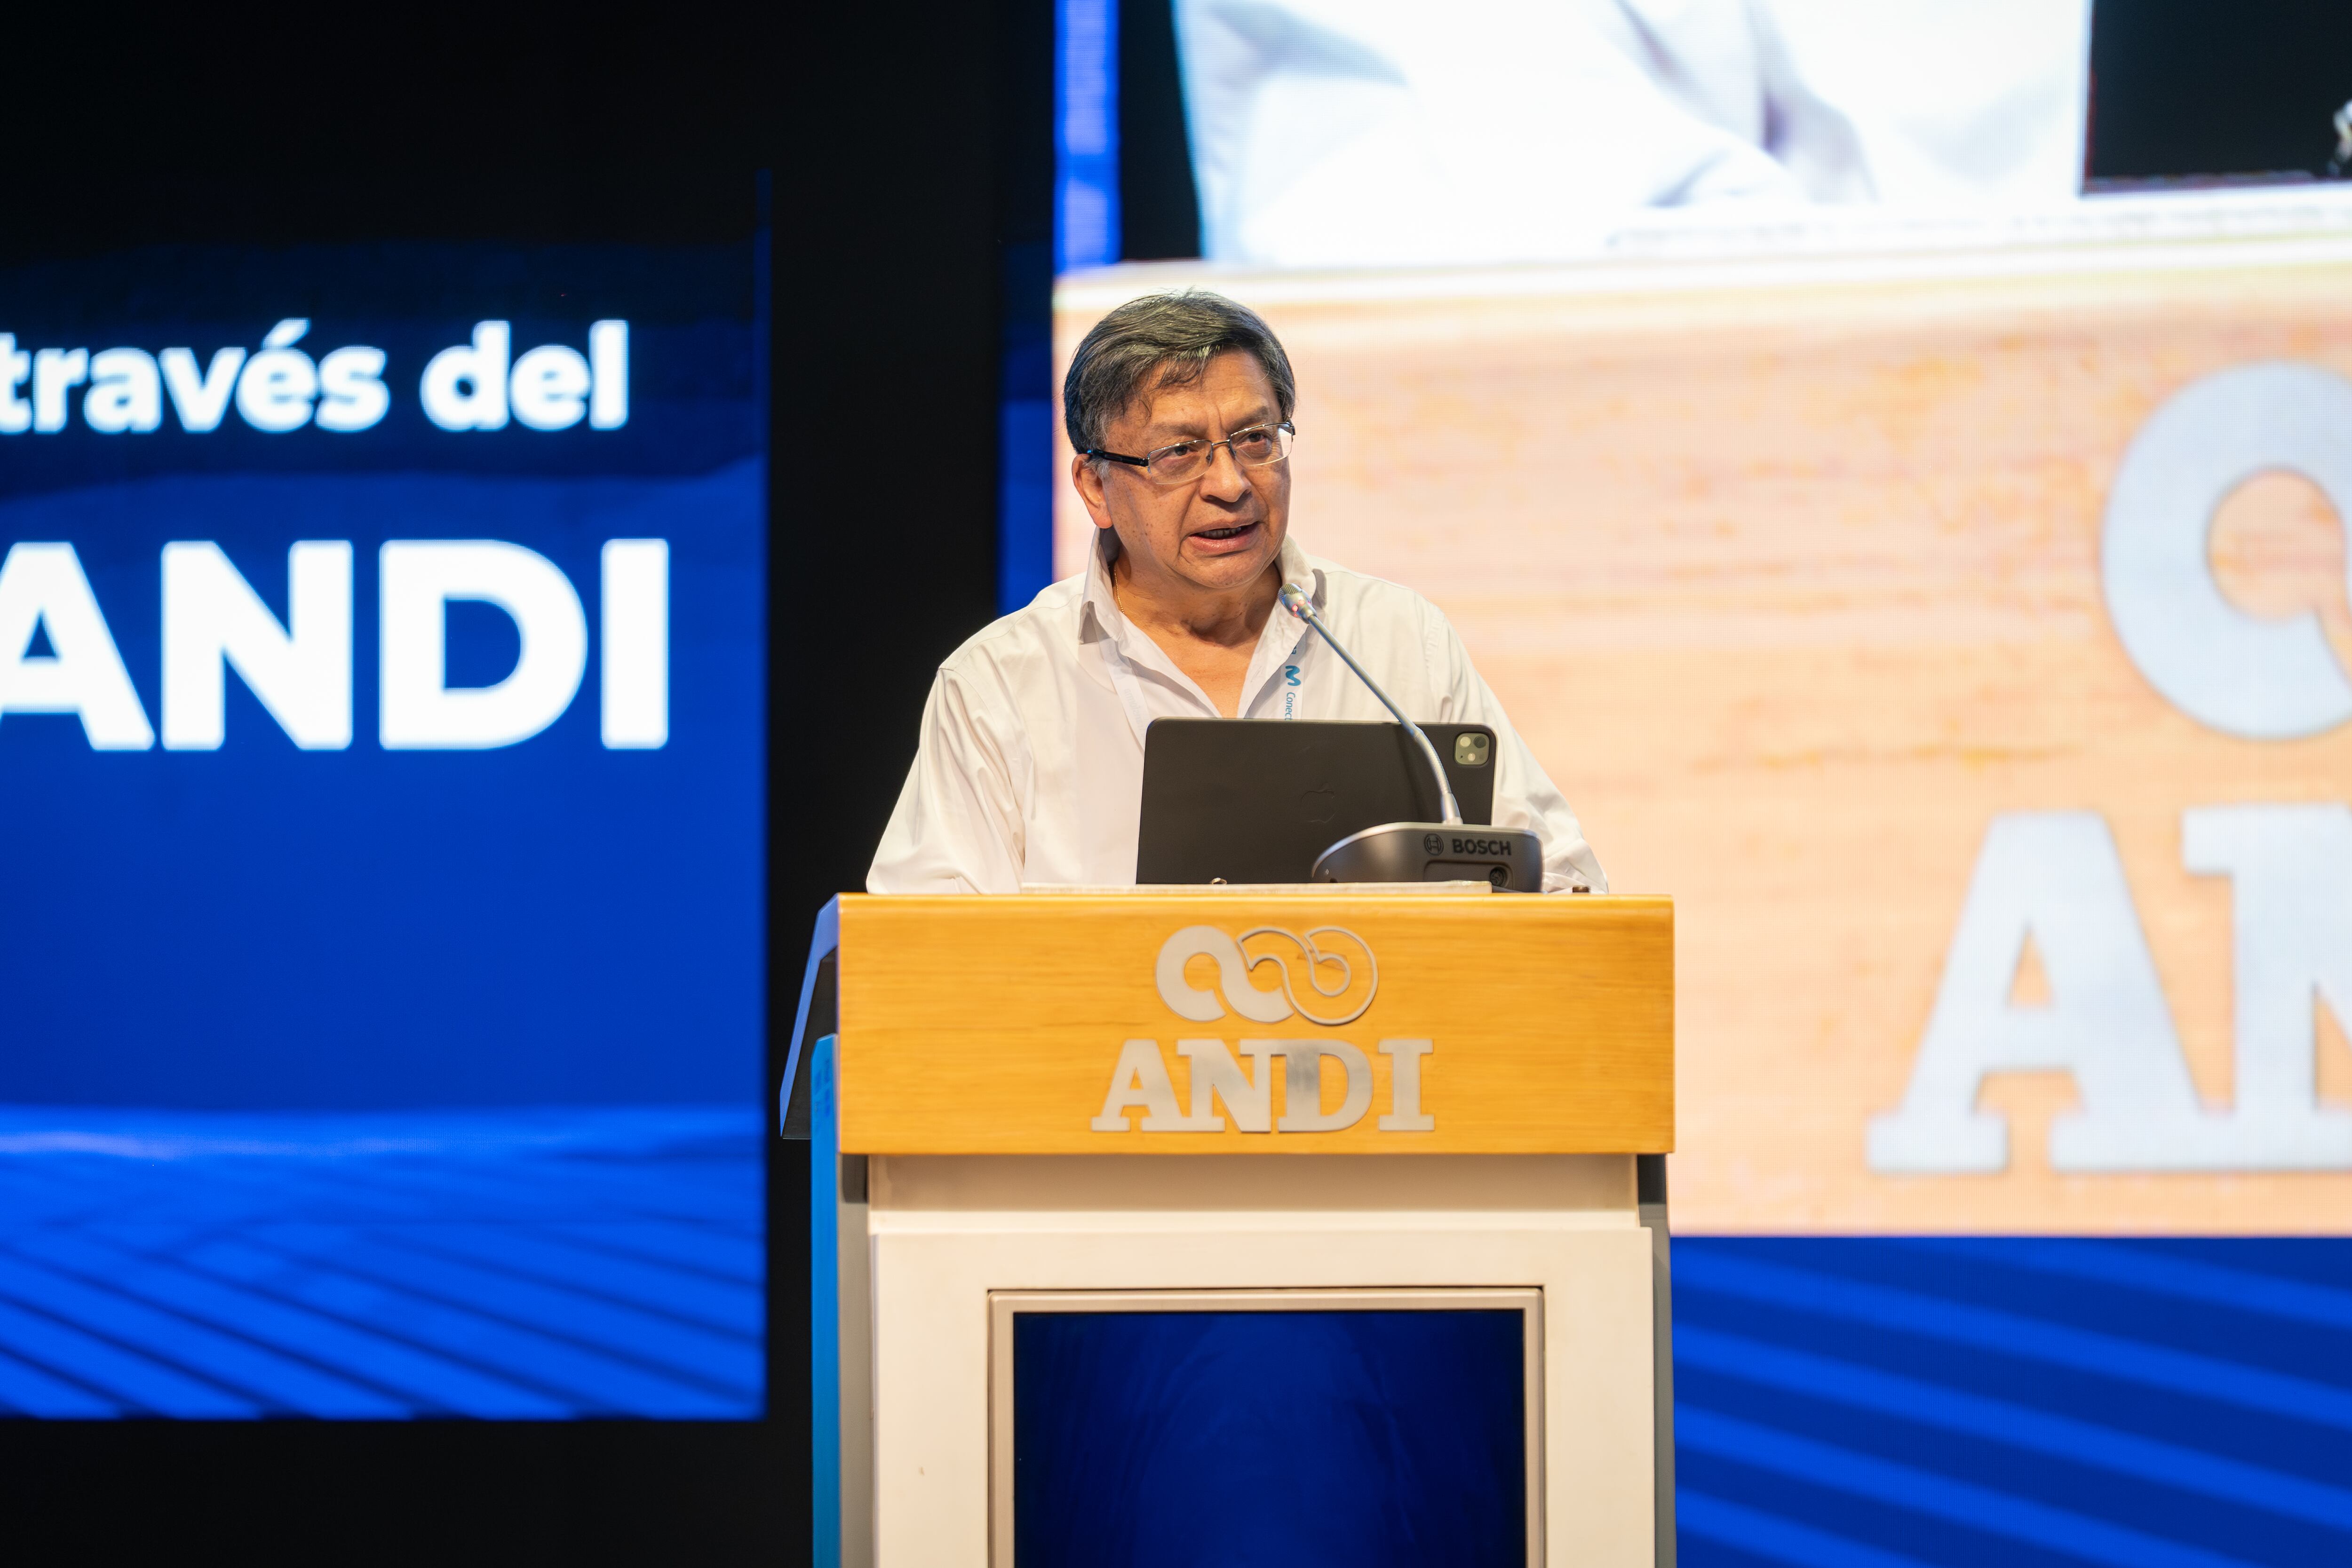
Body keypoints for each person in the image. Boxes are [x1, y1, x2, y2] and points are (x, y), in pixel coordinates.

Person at [867, 290, 1606, 894]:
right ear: (1096, 486)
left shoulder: (1391, 641)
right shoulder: (1001, 684)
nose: (1230, 484)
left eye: (1256, 439)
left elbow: (1564, 885)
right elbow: (926, 951)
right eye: (1179, 453)